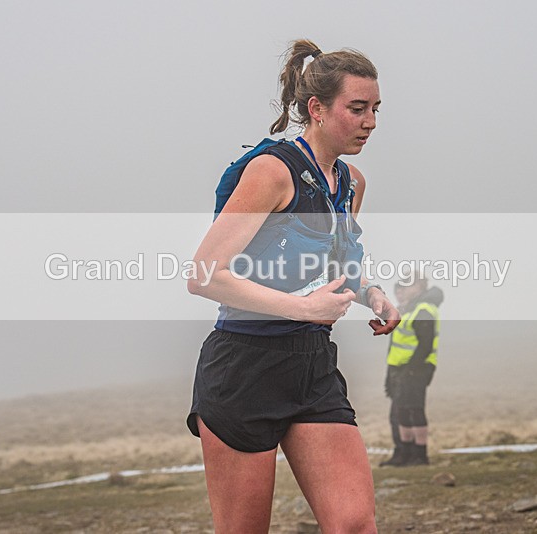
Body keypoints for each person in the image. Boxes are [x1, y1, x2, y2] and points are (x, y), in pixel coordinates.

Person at [186, 39, 400, 533]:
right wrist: (301, 307)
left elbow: (341, 259)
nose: (370, 122)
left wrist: (371, 292)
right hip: (243, 368)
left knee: (353, 525)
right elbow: (203, 275)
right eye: (358, 108)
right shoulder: (272, 171)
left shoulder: (351, 182)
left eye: (375, 109)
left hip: (311, 367)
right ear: (317, 109)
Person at [380, 275, 443, 467]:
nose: (403, 290)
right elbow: (397, 344)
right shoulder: (408, 308)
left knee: (414, 410)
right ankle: (404, 454)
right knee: (401, 411)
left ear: (420, 286)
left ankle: (419, 455)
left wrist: (411, 369)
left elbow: (425, 344)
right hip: (399, 368)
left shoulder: (423, 309)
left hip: (416, 368)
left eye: (409, 286)